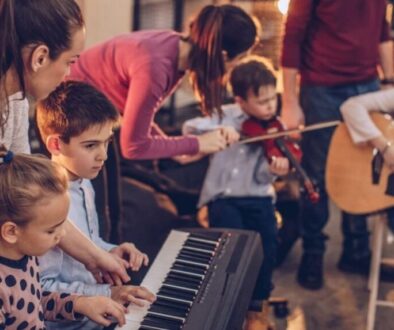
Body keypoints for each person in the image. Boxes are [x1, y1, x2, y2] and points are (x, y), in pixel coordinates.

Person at [0, 0, 129, 284]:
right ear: (40, 57)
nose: (69, 74)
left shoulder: (17, 102)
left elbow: (32, 196)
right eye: (70, 62)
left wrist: (98, 256)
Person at [280, 0, 394, 290]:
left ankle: (356, 252)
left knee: (361, 172)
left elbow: (382, 30)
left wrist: (389, 84)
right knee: (316, 176)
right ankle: (313, 253)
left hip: (368, 83)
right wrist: (290, 102)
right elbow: (293, 35)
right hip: (321, 87)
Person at [36, 81, 156, 329]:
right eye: (91, 145)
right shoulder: (41, 204)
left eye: (107, 142)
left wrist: (111, 249)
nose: (103, 155)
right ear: (56, 144)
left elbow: (89, 245)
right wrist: (105, 293)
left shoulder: (83, 183)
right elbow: (40, 289)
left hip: (100, 314)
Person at [68, 4, 258, 161]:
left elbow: (139, 115)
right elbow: (134, 146)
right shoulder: (156, 68)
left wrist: (175, 149)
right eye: (238, 60)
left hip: (90, 111)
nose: (234, 67)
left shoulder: (174, 47)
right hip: (71, 111)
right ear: (223, 56)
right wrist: (198, 143)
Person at [183, 56, 290, 330]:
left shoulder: (274, 128)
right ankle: (227, 306)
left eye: (272, 99)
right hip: (221, 197)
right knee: (231, 246)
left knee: (265, 245)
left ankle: (257, 308)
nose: (270, 107)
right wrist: (219, 130)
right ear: (241, 101)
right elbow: (189, 129)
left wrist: (275, 169)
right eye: (262, 102)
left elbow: (262, 178)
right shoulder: (225, 115)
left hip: (258, 196)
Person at [0, 148, 128, 329]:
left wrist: (81, 304)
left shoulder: (26, 256)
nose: (63, 234)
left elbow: (35, 303)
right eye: (52, 230)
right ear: (11, 232)